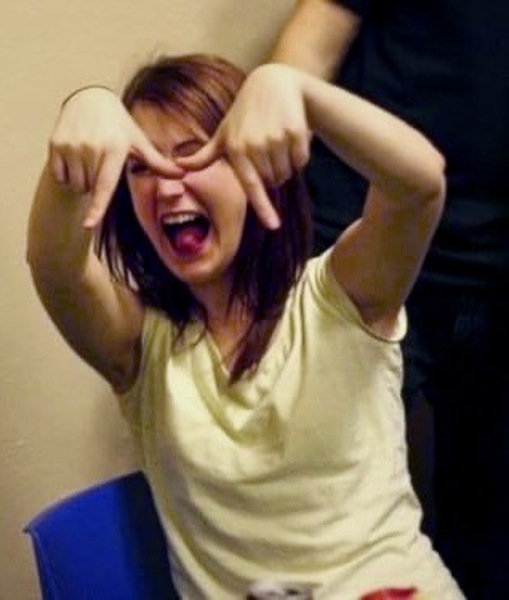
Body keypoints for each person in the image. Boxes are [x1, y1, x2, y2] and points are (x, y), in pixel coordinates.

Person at [27, 53, 463, 598]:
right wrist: (81, 110)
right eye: (141, 166)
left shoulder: (340, 295)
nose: (166, 186)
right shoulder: (138, 346)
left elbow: (419, 186)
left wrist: (299, 92)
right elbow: (52, 262)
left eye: (195, 155)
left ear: (254, 163)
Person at [178, 2, 509, 597]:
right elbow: (311, 44)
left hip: (497, 271)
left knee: (491, 533)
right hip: (368, 247)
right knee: (320, 504)